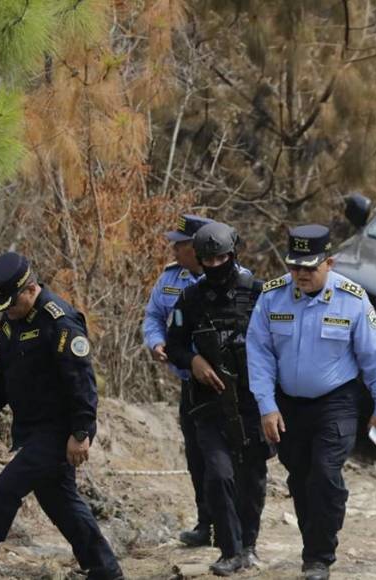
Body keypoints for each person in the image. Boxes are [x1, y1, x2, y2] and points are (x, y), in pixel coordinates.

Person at [0, 252, 122, 580]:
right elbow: (3, 366)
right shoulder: (13, 315)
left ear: (30, 290)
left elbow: (82, 381)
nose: (7, 311)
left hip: (60, 429)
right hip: (32, 427)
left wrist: (81, 432)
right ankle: (105, 570)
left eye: (12, 303)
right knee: (60, 502)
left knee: (7, 488)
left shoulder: (60, 322)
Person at [246, 225, 376, 580]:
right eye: (295, 266)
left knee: (325, 475)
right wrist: (266, 405)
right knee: (300, 478)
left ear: (329, 262)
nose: (301, 274)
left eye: (310, 268)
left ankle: (319, 556)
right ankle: (315, 539)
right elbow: (259, 353)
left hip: (337, 401)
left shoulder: (352, 297)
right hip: (289, 403)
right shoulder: (272, 296)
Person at [166, 222, 271, 576]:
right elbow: (175, 343)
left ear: (233, 254)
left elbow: (279, 342)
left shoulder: (258, 293)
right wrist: (193, 361)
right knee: (218, 474)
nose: (214, 266)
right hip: (209, 402)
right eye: (207, 260)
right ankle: (229, 549)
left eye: (221, 258)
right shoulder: (189, 298)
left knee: (253, 476)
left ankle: (249, 545)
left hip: (252, 399)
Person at [142, 213, 214, 546]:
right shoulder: (171, 278)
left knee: (225, 458)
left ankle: (237, 526)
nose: (173, 249)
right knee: (197, 456)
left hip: (225, 384)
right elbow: (154, 316)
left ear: (198, 248)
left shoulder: (233, 280)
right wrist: (156, 341)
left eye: (180, 244)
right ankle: (206, 522)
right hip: (188, 382)